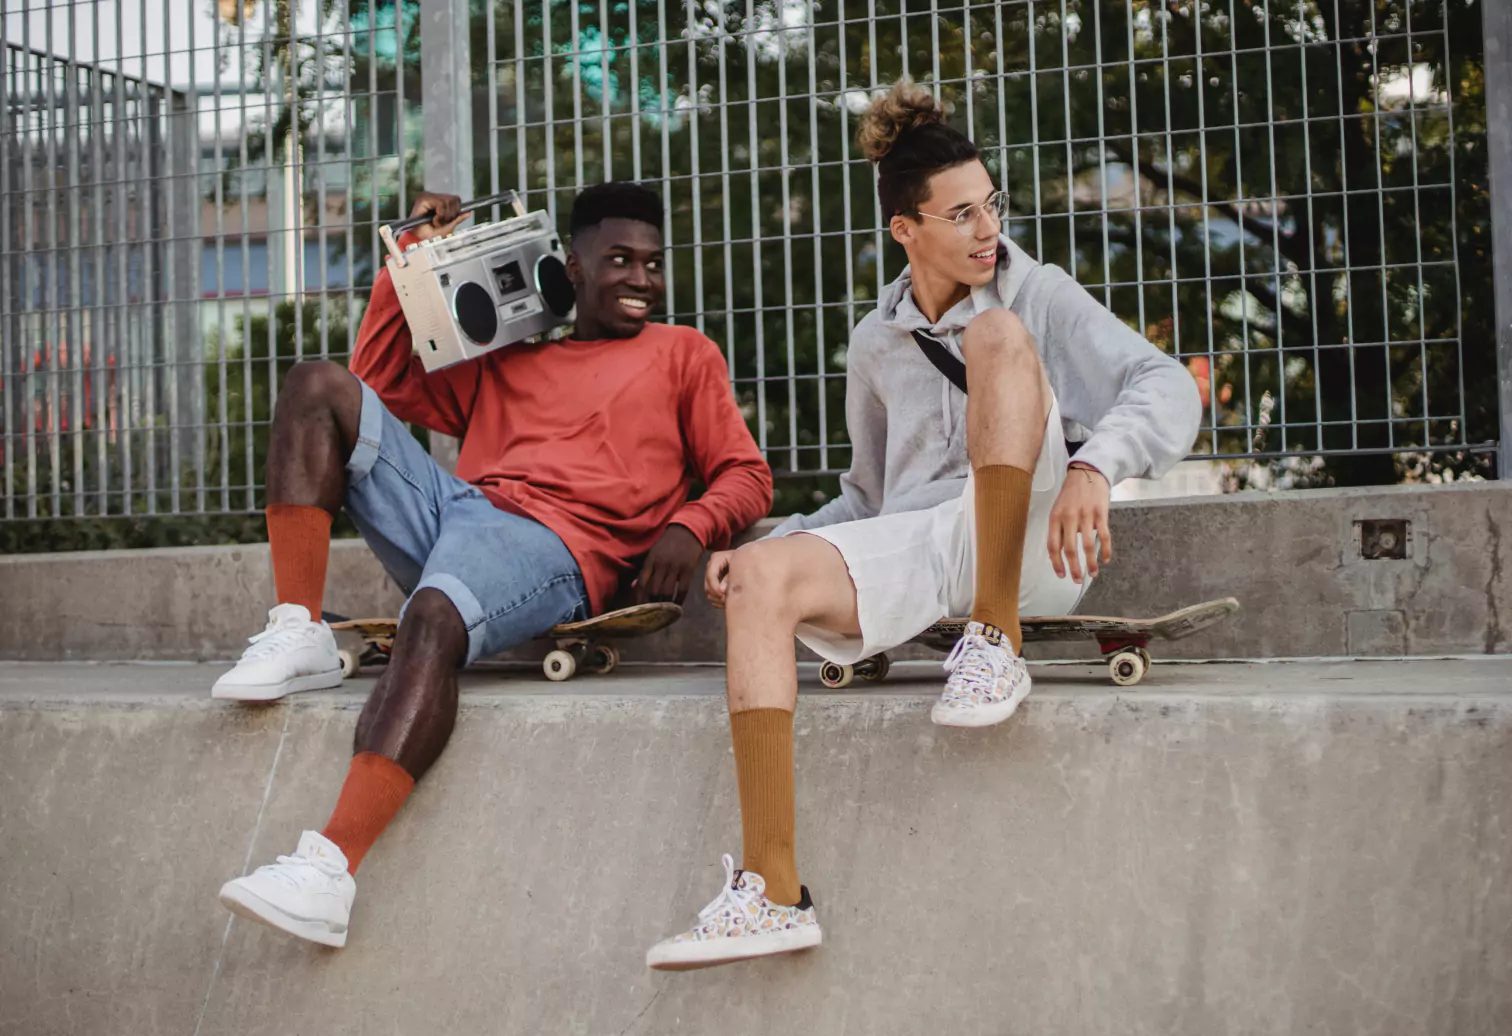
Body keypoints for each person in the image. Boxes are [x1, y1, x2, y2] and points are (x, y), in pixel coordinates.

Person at [645, 83, 1201, 970]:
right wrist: (761, 546)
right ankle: (773, 890)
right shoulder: (875, 343)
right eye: (961, 215)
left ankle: (995, 643)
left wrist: (1096, 464)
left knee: (994, 339)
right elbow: (867, 502)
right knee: (758, 581)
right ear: (907, 229)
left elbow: (1168, 384)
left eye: (993, 206)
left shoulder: (1039, 293)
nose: (988, 231)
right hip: (926, 547)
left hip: (1026, 552)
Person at [214, 181, 773, 947]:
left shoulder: (682, 354)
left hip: (555, 547)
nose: (642, 279)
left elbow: (747, 473)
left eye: (652, 263)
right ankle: (298, 627)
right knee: (318, 384)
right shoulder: (509, 358)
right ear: (570, 267)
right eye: (618, 260)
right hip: (457, 513)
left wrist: (689, 524)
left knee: (433, 616)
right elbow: (374, 374)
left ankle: (327, 871)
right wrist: (416, 250)